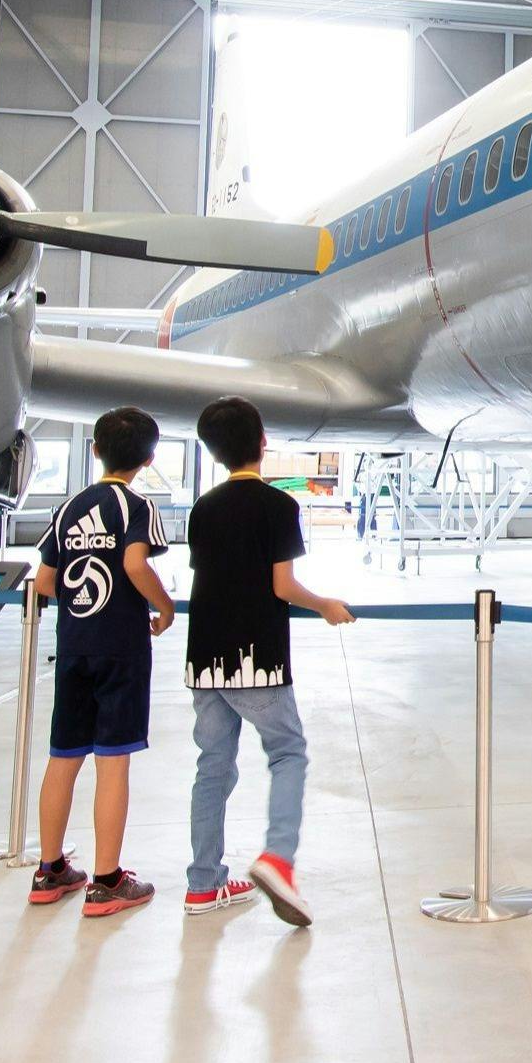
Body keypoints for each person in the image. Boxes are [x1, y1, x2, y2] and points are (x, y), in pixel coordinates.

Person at [182, 395, 354, 926]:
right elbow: (281, 585)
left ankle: (203, 884)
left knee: (212, 767)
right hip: (255, 657)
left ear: (212, 453)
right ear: (262, 442)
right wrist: (325, 603)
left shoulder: (203, 508)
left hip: (204, 657)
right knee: (288, 753)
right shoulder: (279, 507)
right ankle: (278, 857)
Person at [30, 407, 176, 918]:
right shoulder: (137, 505)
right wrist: (164, 605)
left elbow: (45, 582)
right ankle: (108, 879)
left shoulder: (69, 507)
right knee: (113, 762)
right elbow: (135, 563)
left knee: (63, 758)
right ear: (149, 458)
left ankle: (49, 870)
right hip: (121, 647)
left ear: (95, 450)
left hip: (73, 644)